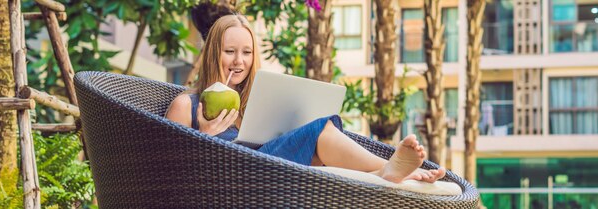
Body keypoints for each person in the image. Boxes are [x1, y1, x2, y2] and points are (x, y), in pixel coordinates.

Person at [165, 14, 445, 184]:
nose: (239, 61)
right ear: (215, 52)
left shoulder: (256, 103)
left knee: (319, 129)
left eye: (247, 53)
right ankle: (386, 169)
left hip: (275, 174)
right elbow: (166, 171)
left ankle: (385, 173)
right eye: (230, 51)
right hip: (238, 180)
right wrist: (205, 135)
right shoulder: (186, 105)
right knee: (319, 128)